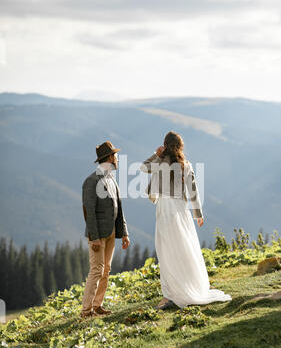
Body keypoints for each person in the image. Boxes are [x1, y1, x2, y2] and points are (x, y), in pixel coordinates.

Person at [140, 131, 231, 309]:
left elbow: (143, 168)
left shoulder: (159, 162)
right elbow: (193, 191)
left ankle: (170, 294)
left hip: (165, 208)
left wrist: (156, 154)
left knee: (166, 250)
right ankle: (189, 286)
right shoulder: (186, 165)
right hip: (181, 209)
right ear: (181, 147)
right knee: (184, 247)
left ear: (165, 145)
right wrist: (198, 214)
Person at [81, 141, 130, 318]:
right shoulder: (91, 181)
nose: (117, 158)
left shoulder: (111, 180)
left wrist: (124, 232)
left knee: (106, 269)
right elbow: (89, 211)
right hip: (98, 235)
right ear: (109, 158)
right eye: (115, 156)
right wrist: (93, 237)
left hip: (110, 233)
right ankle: (86, 311)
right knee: (96, 270)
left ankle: (97, 305)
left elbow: (119, 207)